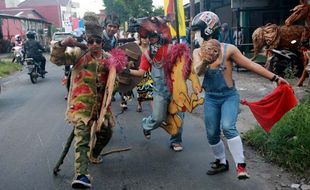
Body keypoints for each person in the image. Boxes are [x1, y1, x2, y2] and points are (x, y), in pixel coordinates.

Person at [191, 11, 289, 180]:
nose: (195, 35)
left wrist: (276, 78)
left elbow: (251, 65)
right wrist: (206, 61)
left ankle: (241, 166)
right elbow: (197, 72)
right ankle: (221, 161)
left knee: (228, 127)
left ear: (208, 30)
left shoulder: (229, 49)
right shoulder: (197, 52)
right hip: (211, 98)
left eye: (197, 30)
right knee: (212, 133)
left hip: (229, 96)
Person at [50, 12, 126, 188]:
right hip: (82, 106)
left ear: (102, 42)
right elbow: (56, 59)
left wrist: (118, 77)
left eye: (97, 41)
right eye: (90, 41)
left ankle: (95, 154)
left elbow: (114, 82)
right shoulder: (78, 54)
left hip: (101, 108)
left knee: (107, 133)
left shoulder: (108, 59)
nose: (93, 44)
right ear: (86, 39)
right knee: (82, 139)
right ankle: (82, 174)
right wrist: (62, 44)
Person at [126, 16, 189, 152]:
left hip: (177, 91)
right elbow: (141, 72)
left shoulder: (173, 49)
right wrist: (126, 71)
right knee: (158, 118)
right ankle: (146, 125)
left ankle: (176, 140)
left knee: (178, 117)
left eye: (153, 36)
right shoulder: (147, 54)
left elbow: (186, 67)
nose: (150, 39)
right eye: (148, 37)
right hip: (159, 91)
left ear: (160, 35)